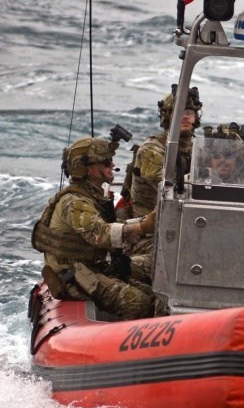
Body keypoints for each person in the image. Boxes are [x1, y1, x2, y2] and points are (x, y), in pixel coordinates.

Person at [32, 136, 158, 320]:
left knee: (153, 296)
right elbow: (100, 234)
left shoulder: (93, 197)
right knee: (138, 304)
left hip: (92, 267)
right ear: (86, 169)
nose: (111, 165)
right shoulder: (75, 202)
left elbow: (108, 226)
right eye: (105, 162)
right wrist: (142, 227)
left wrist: (145, 221)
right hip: (73, 275)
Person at [123, 85, 203, 219]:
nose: (185, 117)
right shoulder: (151, 149)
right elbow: (167, 188)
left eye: (189, 112)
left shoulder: (196, 148)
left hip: (184, 214)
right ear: (167, 117)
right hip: (150, 221)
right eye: (179, 112)